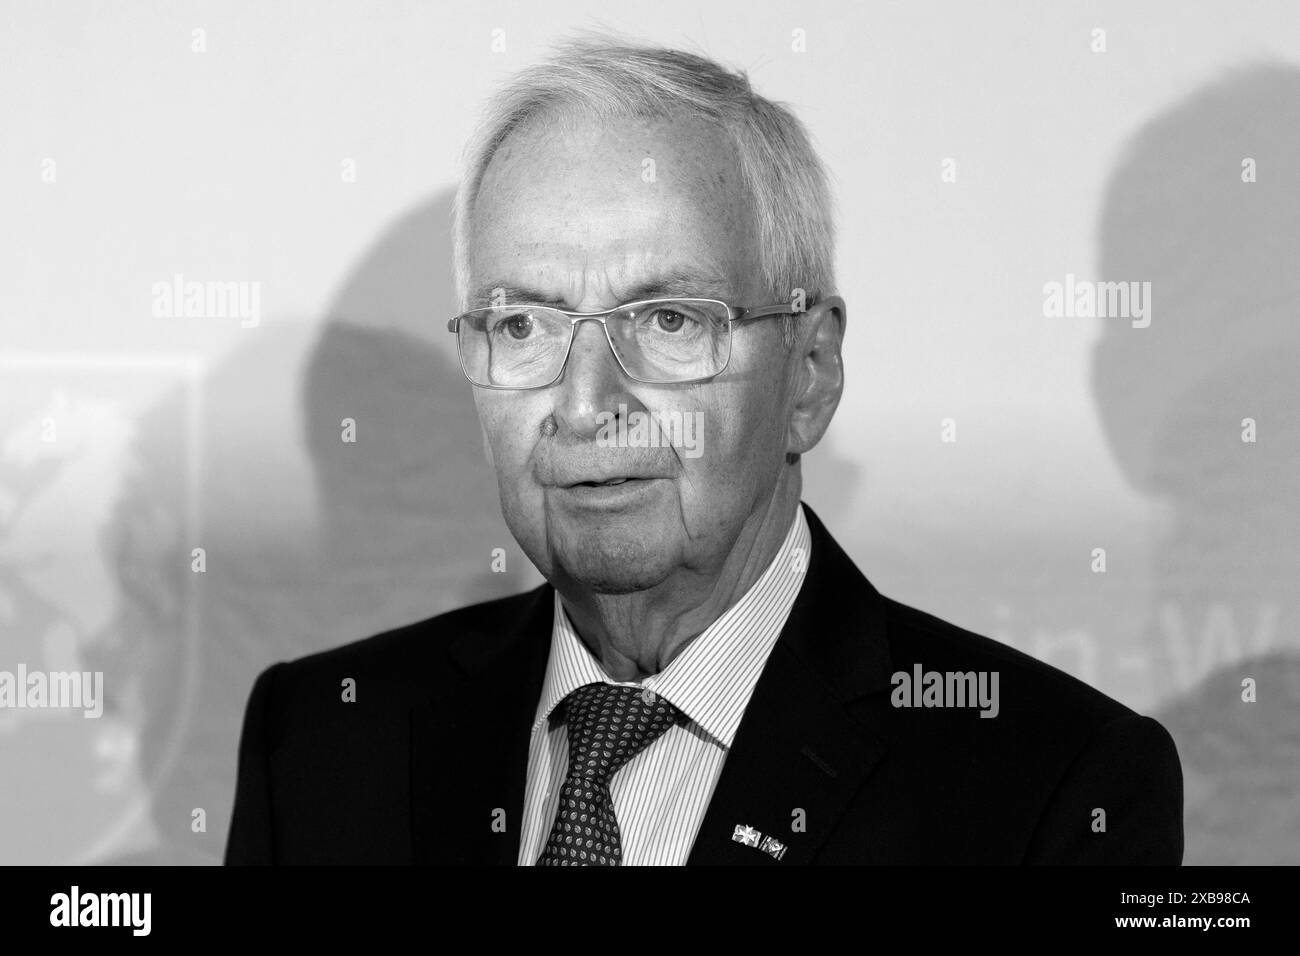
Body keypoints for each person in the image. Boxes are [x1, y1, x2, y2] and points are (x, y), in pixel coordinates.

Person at [225, 33, 1182, 865]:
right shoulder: (319, 741)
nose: (586, 404)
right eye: (522, 326)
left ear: (809, 373)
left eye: (669, 319)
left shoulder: (1052, 790)